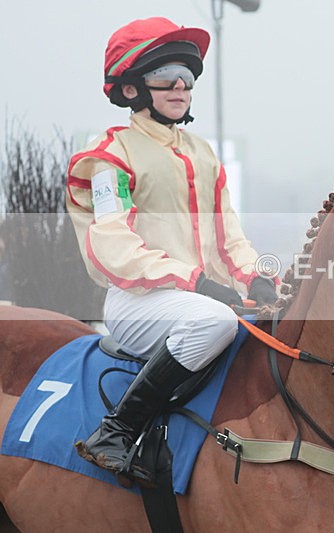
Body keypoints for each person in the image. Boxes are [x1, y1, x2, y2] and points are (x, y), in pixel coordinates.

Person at [65, 17, 278, 486]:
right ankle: (116, 431)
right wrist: (196, 282)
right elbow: (112, 245)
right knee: (215, 321)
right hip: (138, 302)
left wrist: (256, 278)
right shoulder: (107, 157)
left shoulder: (204, 154)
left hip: (201, 298)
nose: (181, 86)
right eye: (166, 77)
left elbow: (231, 240)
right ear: (130, 90)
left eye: (188, 77)